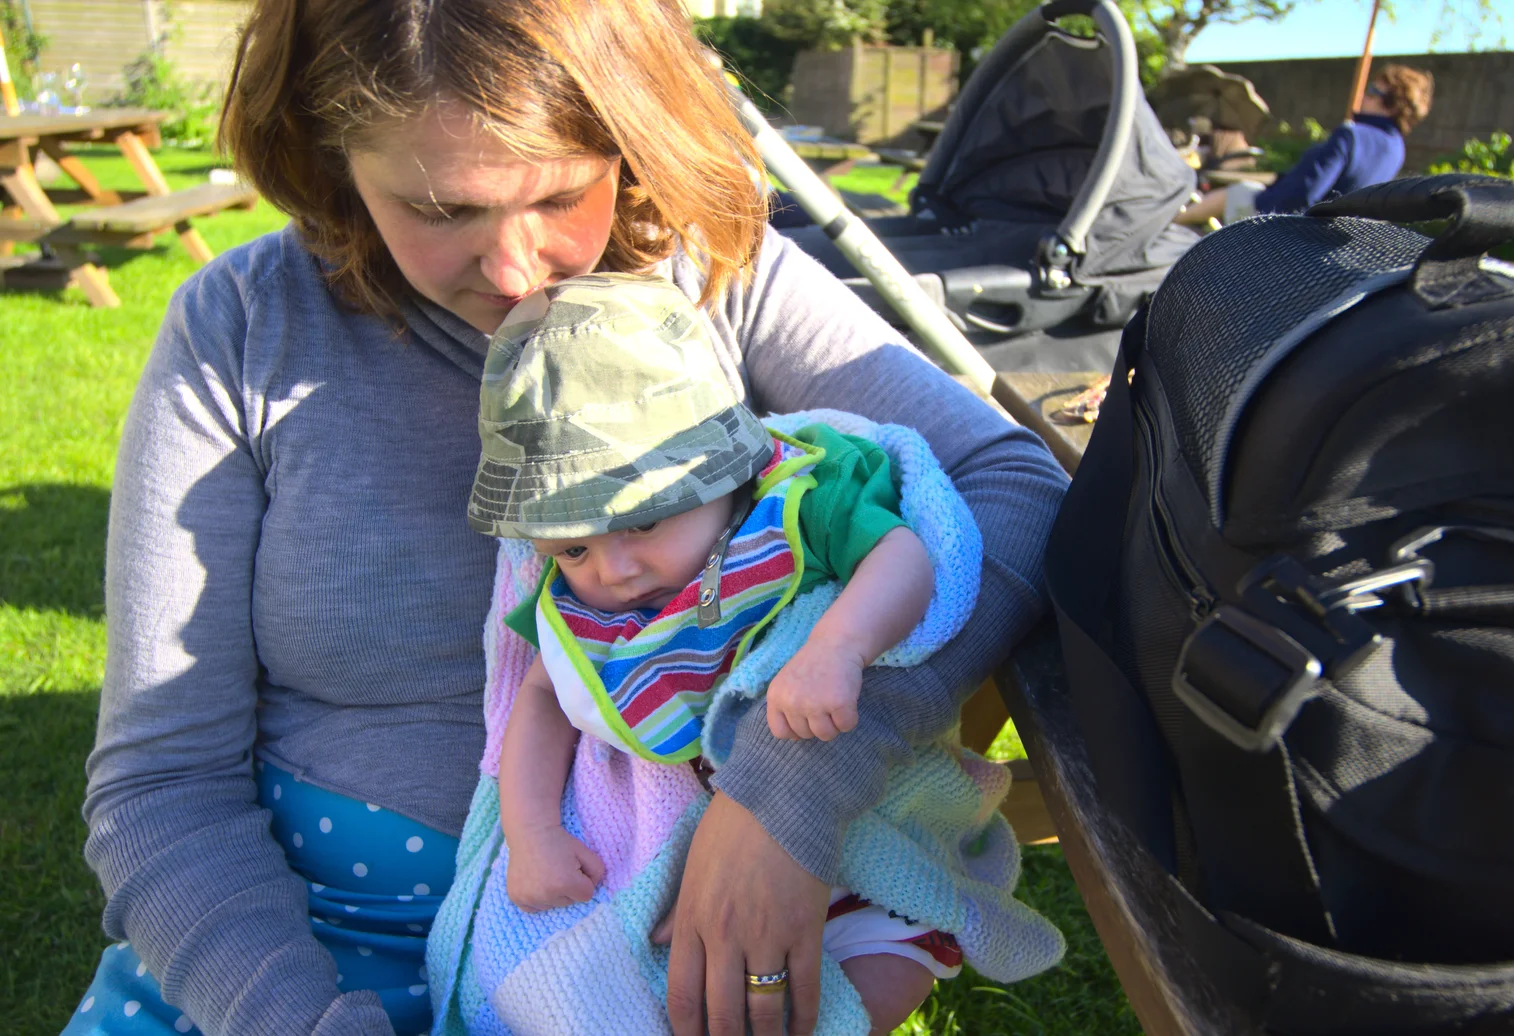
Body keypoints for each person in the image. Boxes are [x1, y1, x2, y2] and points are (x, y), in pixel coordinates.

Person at [65, 0, 1071, 1033]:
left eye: (557, 192)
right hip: (295, 949)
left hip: (645, 952)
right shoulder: (242, 328)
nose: (514, 270)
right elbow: (161, 782)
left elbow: (1017, 492)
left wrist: (792, 795)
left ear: (631, 140)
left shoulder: (712, 277)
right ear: (332, 169)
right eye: (441, 209)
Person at [441, 272, 1059, 1035]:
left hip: (856, 841)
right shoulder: (579, 607)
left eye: (643, 522)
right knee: (611, 988)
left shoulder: (796, 503)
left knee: (892, 957)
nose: (614, 570)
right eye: (573, 547)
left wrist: (838, 643)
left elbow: (903, 555)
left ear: (723, 472)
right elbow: (541, 696)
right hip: (677, 880)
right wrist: (534, 834)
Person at [1176, 63, 1435, 226]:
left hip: (1288, 226)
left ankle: (1173, 221)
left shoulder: (1352, 136)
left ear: (1390, 104)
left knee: (1236, 192)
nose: (1364, 96)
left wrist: (1267, 209)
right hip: (1335, 234)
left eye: (1372, 92)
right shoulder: (1396, 148)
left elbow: (1304, 194)